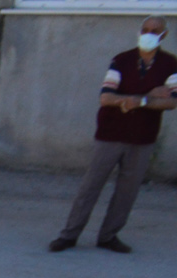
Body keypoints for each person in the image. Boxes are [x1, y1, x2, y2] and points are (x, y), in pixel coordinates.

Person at [50, 17, 175, 254]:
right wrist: (147, 96)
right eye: (145, 30)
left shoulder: (171, 64)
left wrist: (138, 100)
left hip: (142, 137)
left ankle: (108, 236)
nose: (148, 34)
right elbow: (106, 97)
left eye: (154, 31)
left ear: (164, 35)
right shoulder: (121, 60)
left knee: (127, 191)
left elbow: (171, 102)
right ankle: (69, 235)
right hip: (110, 133)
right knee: (91, 186)